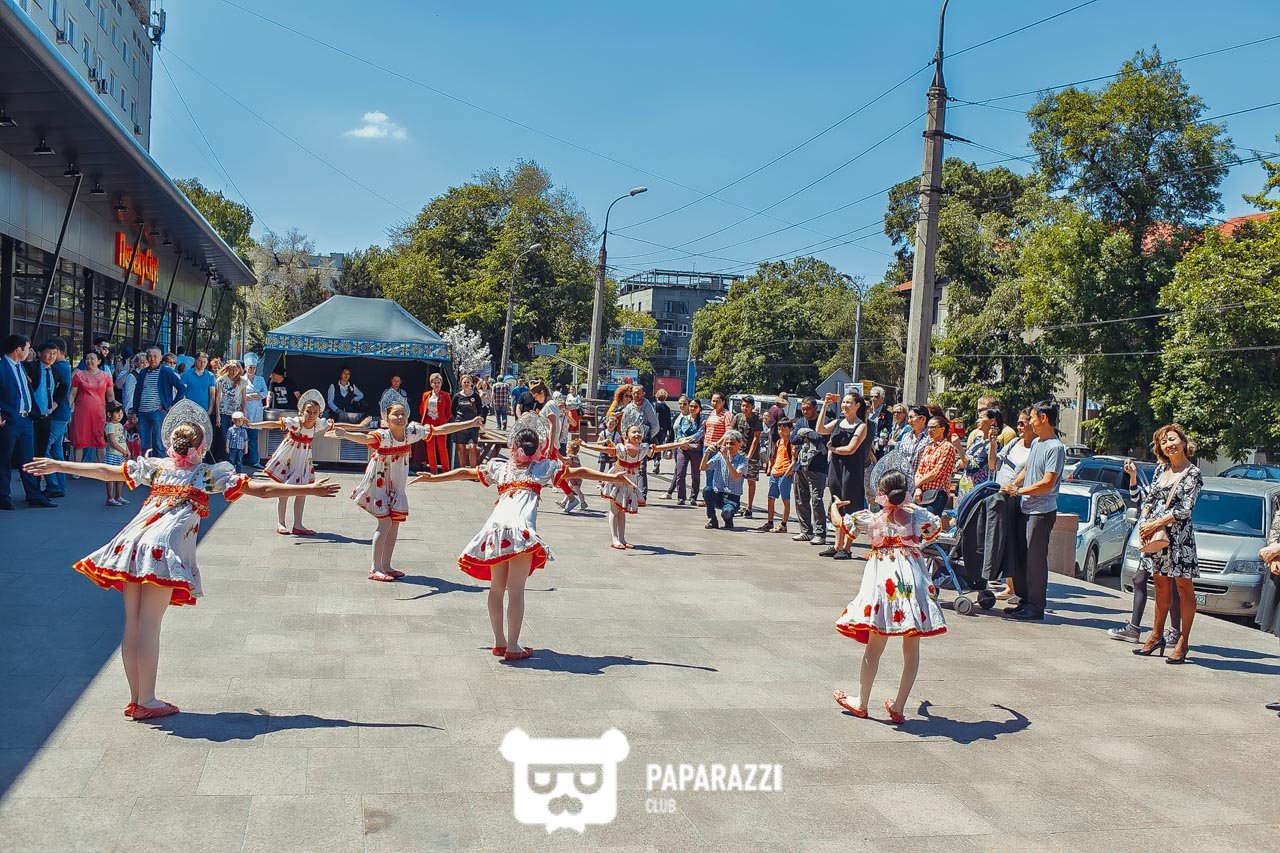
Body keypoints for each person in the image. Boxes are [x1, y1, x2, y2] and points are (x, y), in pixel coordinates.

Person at [23, 399, 340, 719]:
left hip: (131, 544)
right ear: (201, 447)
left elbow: (108, 471)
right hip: (161, 550)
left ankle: (138, 699)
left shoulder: (157, 467)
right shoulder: (206, 475)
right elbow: (260, 490)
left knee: (132, 624)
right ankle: (146, 700)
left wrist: (59, 464)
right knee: (149, 626)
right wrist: (309, 489)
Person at [412, 413, 633, 661]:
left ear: (514, 445)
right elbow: (578, 471)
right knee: (515, 591)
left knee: (496, 589)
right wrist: (612, 476)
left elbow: (465, 472)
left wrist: (433, 478)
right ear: (538, 446)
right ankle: (513, 646)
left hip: (495, 531)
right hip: (520, 533)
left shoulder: (500, 467)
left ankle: (499, 642)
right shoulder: (542, 468)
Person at [831, 456, 947, 724]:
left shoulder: (871, 518)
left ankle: (861, 701)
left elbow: (840, 524)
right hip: (913, 578)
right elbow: (936, 528)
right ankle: (899, 706)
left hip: (884, 580)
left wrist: (834, 507)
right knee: (912, 647)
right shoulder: (918, 515)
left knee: (875, 646)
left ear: (881, 492)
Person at [332, 395, 480, 581]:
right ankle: (375, 567)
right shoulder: (383, 436)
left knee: (394, 523)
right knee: (385, 522)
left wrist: (470, 423)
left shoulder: (412, 432)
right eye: (395, 414)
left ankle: (386, 565)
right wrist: (345, 434)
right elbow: (365, 438)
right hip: (379, 482)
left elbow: (441, 430)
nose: (400, 417)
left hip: (396, 483)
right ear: (387, 418)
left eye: (403, 413)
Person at [1125, 425, 1204, 663]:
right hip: (1156, 536)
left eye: (1172, 439)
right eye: (1163, 442)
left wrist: (1155, 523)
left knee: (1184, 588)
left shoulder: (1193, 473)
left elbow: (1185, 509)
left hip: (1179, 540)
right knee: (1160, 586)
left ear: (1183, 442)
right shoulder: (1161, 469)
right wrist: (1145, 521)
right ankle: (1156, 635)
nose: (1169, 445)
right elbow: (1149, 499)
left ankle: (1182, 641)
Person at [1000, 400, 1066, 622]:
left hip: (1041, 512)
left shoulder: (1055, 448)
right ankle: (1024, 600)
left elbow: (1048, 482)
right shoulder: (1038, 442)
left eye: (1032, 418)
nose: (1030, 422)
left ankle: (1036, 606)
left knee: (1035, 561)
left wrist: (1019, 491)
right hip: (1026, 507)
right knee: (1021, 557)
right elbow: (1027, 469)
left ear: (1043, 418)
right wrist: (1013, 485)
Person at [583, 424, 688, 549]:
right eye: (633, 432)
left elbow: (660, 447)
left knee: (622, 510)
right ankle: (614, 538)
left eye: (638, 432)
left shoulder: (643, 448)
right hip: (616, 480)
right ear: (627, 436)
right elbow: (604, 449)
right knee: (614, 509)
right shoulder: (621, 448)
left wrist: (679, 444)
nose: (637, 434)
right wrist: (585, 445)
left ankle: (622, 539)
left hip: (630, 483)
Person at [249, 389, 334, 535]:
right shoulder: (296, 422)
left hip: (304, 458)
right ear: (302, 411)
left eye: (315, 412)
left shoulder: (318, 424)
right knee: (284, 490)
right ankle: (281, 523)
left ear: (319, 413)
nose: (311, 415)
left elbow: (339, 426)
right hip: (289, 457)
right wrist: (253, 425)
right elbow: (274, 424)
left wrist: (358, 427)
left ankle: (298, 524)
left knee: (303, 490)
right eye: (308, 411)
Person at [1, 334, 55, 509]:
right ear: (18, 349)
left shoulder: (20, 367)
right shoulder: (2, 366)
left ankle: (34, 495)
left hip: (26, 420)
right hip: (9, 420)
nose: (29, 352)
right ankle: (3, 497)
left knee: (29, 460)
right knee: (4, 459)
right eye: (27, 348)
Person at [989, 409, 1035, 602]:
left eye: (1023, 423)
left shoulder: (1037, 447)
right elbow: (993, 465)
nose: (1019, 427)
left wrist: (1013, 486)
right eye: (1018, 423)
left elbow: (1028, 470)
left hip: (1018, 499)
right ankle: (1010, 587)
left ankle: (1020, 589)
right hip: (1001, 496)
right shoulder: (1014, 443)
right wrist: (992, 443)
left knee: (1016, 543)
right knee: (1006, 542)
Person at [816, 392, 869, 560]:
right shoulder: (838, 422)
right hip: (836, 467)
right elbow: (820, 429)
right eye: (844, 402)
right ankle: (836, 545)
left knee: (850, 507)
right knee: (836, 503)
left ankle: (847, 547)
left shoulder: (861, 426)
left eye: (849, 402)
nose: (845, 405)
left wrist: (832, 449)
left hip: (851, 470)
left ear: (857, 406)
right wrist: (825, 405)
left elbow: (850, 449)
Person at [791, 397, 829, 545]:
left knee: (816, 500)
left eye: (808, 408)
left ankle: (820, 533)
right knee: (801, 499)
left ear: (815, 408)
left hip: (817, 467)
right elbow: (793, 439)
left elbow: (820, 438)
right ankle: (806, 531)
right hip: (801, 466)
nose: (805, 411)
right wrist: (806, 436)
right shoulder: (801, 421)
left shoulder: (824, 421)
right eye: (803, 409)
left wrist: (806, 434)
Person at [132, 347, 183, 457]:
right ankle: (146, 465)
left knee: (159, 444)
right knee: (144, 445)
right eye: (150, 356)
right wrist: (134, 411)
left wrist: (171, 405)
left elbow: (181, 388)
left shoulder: (166, 371)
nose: (152, 359)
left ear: (160, 358)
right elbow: (137, 393)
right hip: (142, 412)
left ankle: (160, 466)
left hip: (158, 412)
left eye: (155, 356)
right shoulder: (143, 372)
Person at [69, 349, 115, 466]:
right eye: (87, 359)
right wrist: (68, 408)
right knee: (80, 441)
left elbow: (110, 395)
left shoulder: (106, 376)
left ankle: (102, 468)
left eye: (92, 359)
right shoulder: (78, 375)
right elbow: (73, 394)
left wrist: (112, 412)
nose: (89, 361)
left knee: (100, 440)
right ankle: (77, 468)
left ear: (99, 361)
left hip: (99, 412)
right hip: (81, 412)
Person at [42, 338, 73, 500]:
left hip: (56, 414)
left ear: (58, 351)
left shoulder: (57, 367)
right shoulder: (65, 366)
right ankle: (59, 485)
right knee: (57, 450)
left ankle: (53, 484)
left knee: (44, 447)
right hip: (62, 414)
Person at [620, 384, 661, 504]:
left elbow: (655, 426)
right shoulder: (629, 407)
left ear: (643, 393)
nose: (636, 395)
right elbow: (624, 424)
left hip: (642, 442)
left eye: (639, 392)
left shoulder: (648, 407)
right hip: (629, 443)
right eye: (634, 393)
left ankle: (641, 495)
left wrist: (644, 438)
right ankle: (627, 493)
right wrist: (626, 438)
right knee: (627, 467)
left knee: (641, 469)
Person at [700, 430, 747, 530]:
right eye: (726, 443)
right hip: (718, 494)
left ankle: (728, 520)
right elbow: (703, 468)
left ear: (739, 444)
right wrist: (707, 453)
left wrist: (726, 459)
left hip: (732, 497)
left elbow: (736, 476)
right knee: (707, 490)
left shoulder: (743, 459)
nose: (728, 446)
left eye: (732, 443)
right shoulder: (719, 456)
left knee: (727, 511)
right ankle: (713, 520)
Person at [913, 415, 958, 517]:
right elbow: (920, 469)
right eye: (928, 427)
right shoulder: (928, 447)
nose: (930, 430)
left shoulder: (947, 447)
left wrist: (917, 484)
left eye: (933, 427)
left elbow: (937, 472)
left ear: (942, 429)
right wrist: (918, 488)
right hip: (922, 492)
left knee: (929, 524)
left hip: (937, 492)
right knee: (917, 522)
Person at [758, 417, 796, 533]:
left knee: (785, 499)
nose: (781, 431)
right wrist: (771, 467)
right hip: (775, 472)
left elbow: (794, 460)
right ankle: (770, 522)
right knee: (771, 498)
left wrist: (787, 472)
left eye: (784, 428)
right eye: (779, 428)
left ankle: (783, 524)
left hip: (785, 472)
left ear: (790, 429)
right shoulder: (779, 442)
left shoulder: (792, 443)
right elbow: (775, 456)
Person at [665, 395, 704, 505]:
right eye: (691, 406)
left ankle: (693, 497)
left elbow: (700, 434)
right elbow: (678, 434)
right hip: (682, 449)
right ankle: (681, 497)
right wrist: (682, 441)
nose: (692, 408)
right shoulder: (683, 419)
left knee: (695, 474)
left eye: (695, 406)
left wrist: (688, 440)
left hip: (696, 450)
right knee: (680, 472)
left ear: (699, 408)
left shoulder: (702, 421)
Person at [733, 396, 765, 520]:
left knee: (751, 481)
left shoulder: (757, 419)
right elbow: (732, 433)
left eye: (747, 406)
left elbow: (756, 438)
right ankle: (734, 504)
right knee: (735, 480)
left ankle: (749, 508)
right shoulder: (738, 417)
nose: (745, 408)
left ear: (752, 407)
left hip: (752, 455)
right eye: (743, 405)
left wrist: (749, 456)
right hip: (738, 453)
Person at [417, 372, 452, 474]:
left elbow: (449, 412)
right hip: (429, 422)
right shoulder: (426, 395)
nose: (436, 384)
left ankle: (446, 471)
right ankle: (433, 470)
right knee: (430, 447)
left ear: (441, 383)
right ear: (431, 384)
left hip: (440, 423)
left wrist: (443, 420)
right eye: (434, 382)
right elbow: (422, 409)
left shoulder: (446, 395)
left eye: (438, 382)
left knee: (442, 447)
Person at [963, 407, 1006, 488]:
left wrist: (958, 447)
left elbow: (974, 465)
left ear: (992, 421)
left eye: (981, 418)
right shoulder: (977, 440)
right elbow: (966, 458)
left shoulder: (993, 445)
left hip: (979, 488)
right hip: (966, 486)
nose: (977, 421)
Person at [213, 361, 247, 463]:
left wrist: (243, 414)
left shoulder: (242, 381)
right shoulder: (222, 380)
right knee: (224, 435)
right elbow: (217, 397)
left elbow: (244, 398)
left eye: (236, 369)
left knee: (236, 435)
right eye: (231, 369)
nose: (234, 372)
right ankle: (224, 458)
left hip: (236, 412)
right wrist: (217, 415)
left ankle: (234, 459)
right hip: (224, 410)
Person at [451, 374, 484, 469]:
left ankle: (472, 470)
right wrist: (459, 419)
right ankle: (462, 470)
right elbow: (453, 410)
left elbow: (479, 410)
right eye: (464, 382)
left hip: (472, 425)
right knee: (461, 448)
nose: (466, 384)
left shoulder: (475, 396)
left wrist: (478, 420)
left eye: (468, 382)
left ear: (471, 384)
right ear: (461, 383)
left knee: (472, 447)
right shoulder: (457, 396)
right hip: (460, 425)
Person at [242, 357, 269, 469]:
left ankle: (254, 461)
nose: (251, 369)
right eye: (249, 367)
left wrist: (258, 396)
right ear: (246, 368)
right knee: (241, 437)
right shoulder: (242, 379)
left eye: (253, 367)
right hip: (245, 409)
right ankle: (239, 460)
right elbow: (238, 393)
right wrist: (248, 396)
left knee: (253, 438)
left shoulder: (260, 379)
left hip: (256, 410)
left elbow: (265, 392)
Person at [102, 401, 129, 506]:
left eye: (121, 413)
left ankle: (118, 496)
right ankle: (110, 498)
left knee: (120, 476)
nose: (120, 415)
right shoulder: (110, 426)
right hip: (112, 455)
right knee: (111, 477)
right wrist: (123, 451)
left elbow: (122, 439)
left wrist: (127, 450)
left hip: (121, 455)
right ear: (109, 414)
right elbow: (113, 442)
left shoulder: (120, 425)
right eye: (117, 413)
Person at [651, 388, 673, 475]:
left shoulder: (654, 406)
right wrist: (668, 430)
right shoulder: (667, 408)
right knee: (659, 446)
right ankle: (658, 460)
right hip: (663, 430)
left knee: (652, 445)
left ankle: (654, 460)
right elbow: (669, 421)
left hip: (654, 429)